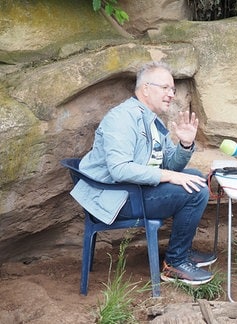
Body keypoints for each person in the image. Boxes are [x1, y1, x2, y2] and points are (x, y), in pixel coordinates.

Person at [71, 61, 216, 285]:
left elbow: (169, 163)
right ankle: (175, 263)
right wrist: (169, 176)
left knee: (195, 177)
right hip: (114, 198)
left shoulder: (153, 121)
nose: (171, 94)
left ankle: (182, 252)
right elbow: (119, 169)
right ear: (146, 89)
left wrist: (185, 145)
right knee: (196, 192)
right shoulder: (122, 118)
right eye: (165, 88)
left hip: (133, 192)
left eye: (173, 90)